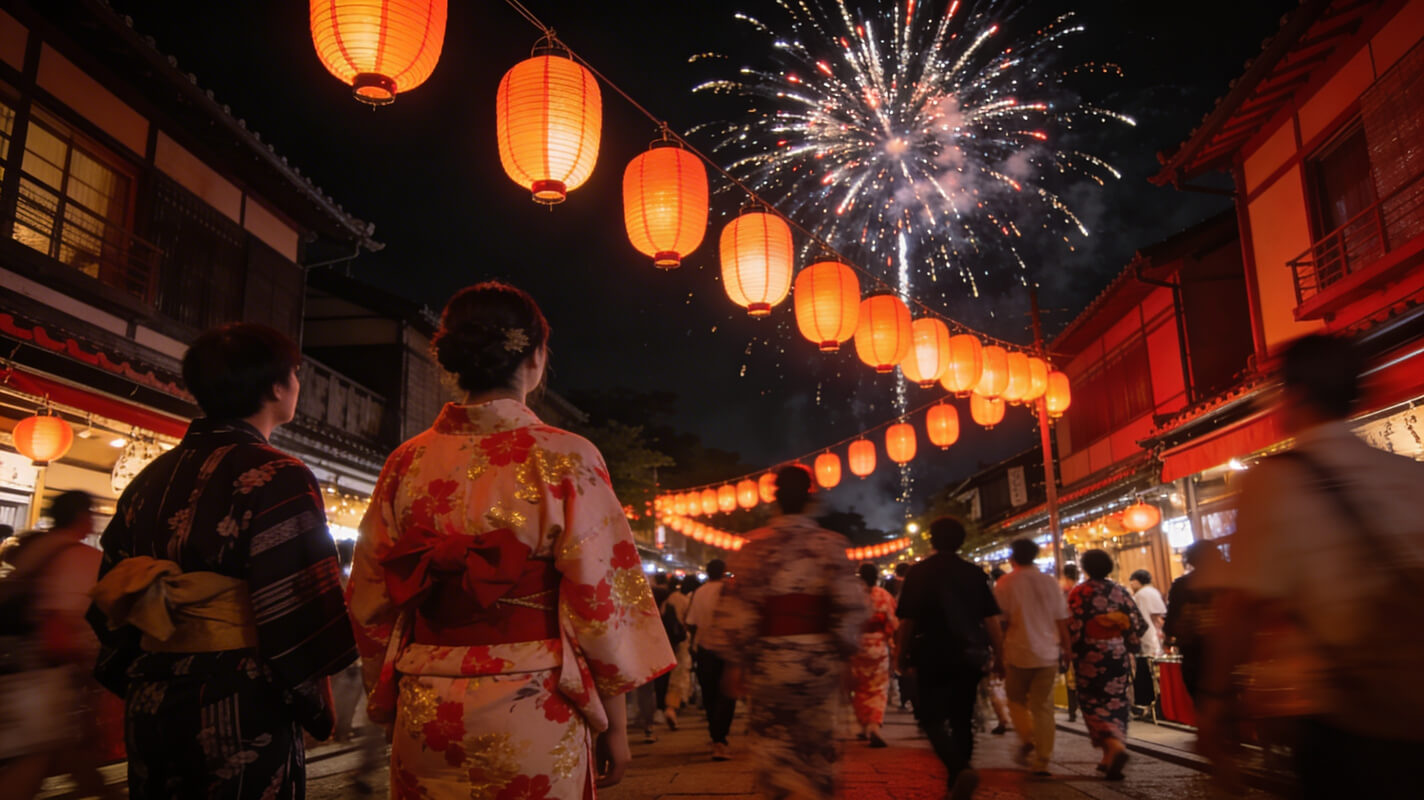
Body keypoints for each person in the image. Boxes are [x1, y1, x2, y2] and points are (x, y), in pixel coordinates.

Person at [346, 282, 675, 799]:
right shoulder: (566, 455)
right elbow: (602, 601)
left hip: (426, 701)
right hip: (533, 701)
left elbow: (370, 600)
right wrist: (615, 725)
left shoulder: (405, 462)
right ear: (536, 357)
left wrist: (384, 696)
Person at [87, 323, 357, 798]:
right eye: (294, 374)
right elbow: (300, 598)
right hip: (240, 691)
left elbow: (114, 586)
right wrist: (315, 696)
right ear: (275, 386)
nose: (297, 385)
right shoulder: (280, 473)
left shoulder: (152, 476)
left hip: (153, 688)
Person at [1198, 334, 1424, 796]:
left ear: (1295, 394)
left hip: (1348, 720)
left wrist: (1216, 700)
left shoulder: (1276, 480)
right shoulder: (1410, 475)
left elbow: (1242, 605)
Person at [702, 466, 868, 800]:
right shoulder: (830, 545)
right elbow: (850, 605)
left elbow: (741, 610)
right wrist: (846, 654)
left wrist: (736, 663)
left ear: (774, 501)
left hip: (770, 663)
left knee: (774, 744)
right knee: (816, 744)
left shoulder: (755, 547)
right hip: (818, 662)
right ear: (812, 499)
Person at [0, 491, 117, 799]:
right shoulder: (82, 559)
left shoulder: (31, 546)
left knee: (65, 756)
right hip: (44, 684)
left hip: (17, 673)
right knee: (32, 763)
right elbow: (57, 632)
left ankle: (99, 790)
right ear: (83, 517)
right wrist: (89, 684)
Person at [896, 518, 1005, 800]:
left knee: (931, 718)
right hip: (970, 654)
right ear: (961, 541)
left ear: (932, 540)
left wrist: (900, 654)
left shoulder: (918, 573)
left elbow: (907, 620)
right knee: (962, 718)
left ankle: (958, 770)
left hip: (931, 653)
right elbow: (990, 618)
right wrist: (1000, 654)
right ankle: (957, 780)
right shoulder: (973, 573)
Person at [1067, 549, 1147, 781]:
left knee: (1092, 701)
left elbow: (1073, 626)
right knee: (1116, 700)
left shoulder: (1079, 592)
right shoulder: (1119, 590)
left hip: (1089, 655)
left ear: (1085, 568)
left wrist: (1070, 649)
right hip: (1116, 653)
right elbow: (1136, 623)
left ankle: (1112, 745)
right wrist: (1130, 644)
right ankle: (1108, 755)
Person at [994, 538, 1071, 777]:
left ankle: (1028, 737)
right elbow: (1062, 620)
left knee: (1015, 700)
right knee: (1043, 706)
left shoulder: (1004, 583)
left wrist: (998, 654)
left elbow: (1001, 622)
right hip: (1048, 652)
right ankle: (1043, 758)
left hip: (1017, 651)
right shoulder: (1049, 582)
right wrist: (1067, 649)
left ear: (1012, 557)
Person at [685, 558, 736, 760]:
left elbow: (691, 622)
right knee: (726, 695)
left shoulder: (699, 592)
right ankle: (719, 738)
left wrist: (694, 645)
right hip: (726, 648)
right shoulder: (729, 591)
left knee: (709, 693)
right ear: (724, 571)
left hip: (704, 649)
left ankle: (715, 735)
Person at [1162, 540, 1221, 701]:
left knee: (1201, 700)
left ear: (1190, 560)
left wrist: (1168, 640)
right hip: (1228, 649)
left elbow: (1172, 619)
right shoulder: (1228, 581)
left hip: (1194, 653)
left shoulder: (1181, 585)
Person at [849, 562, 898, 747]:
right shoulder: (884, 596)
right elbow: (893, 624)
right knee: (878, 688)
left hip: (857, 645)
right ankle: (873, 725)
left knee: (859, 687)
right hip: (878, 646)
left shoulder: (853, 597)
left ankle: (863, 725)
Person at [1127, 569, 1166, 715]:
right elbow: (1158, 616)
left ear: (1136, 581)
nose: (1131, 584)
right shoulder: (1153, 591)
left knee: (1145, 671)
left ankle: (1148, 705)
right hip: (1155, 635)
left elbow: (1137, 619)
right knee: (1156, 672)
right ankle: (1158, 704)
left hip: (1145, 636)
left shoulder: (1139, 595)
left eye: (1132, 580)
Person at [660, 575, 692, 729]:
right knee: (679, 677)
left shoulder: (667, 600)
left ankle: (664, 706)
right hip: (682, 642)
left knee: (668, 675)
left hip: (667, 643)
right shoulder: (684, 600)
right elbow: (690, 621)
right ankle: (671, 707)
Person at [1060, 562, 1082, 722]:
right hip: (1083, 637)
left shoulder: (1062, 591)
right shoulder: (1082, 590)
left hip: (1069, 637)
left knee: (1070, 675)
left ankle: (1072, 711)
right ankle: (1078, 709)